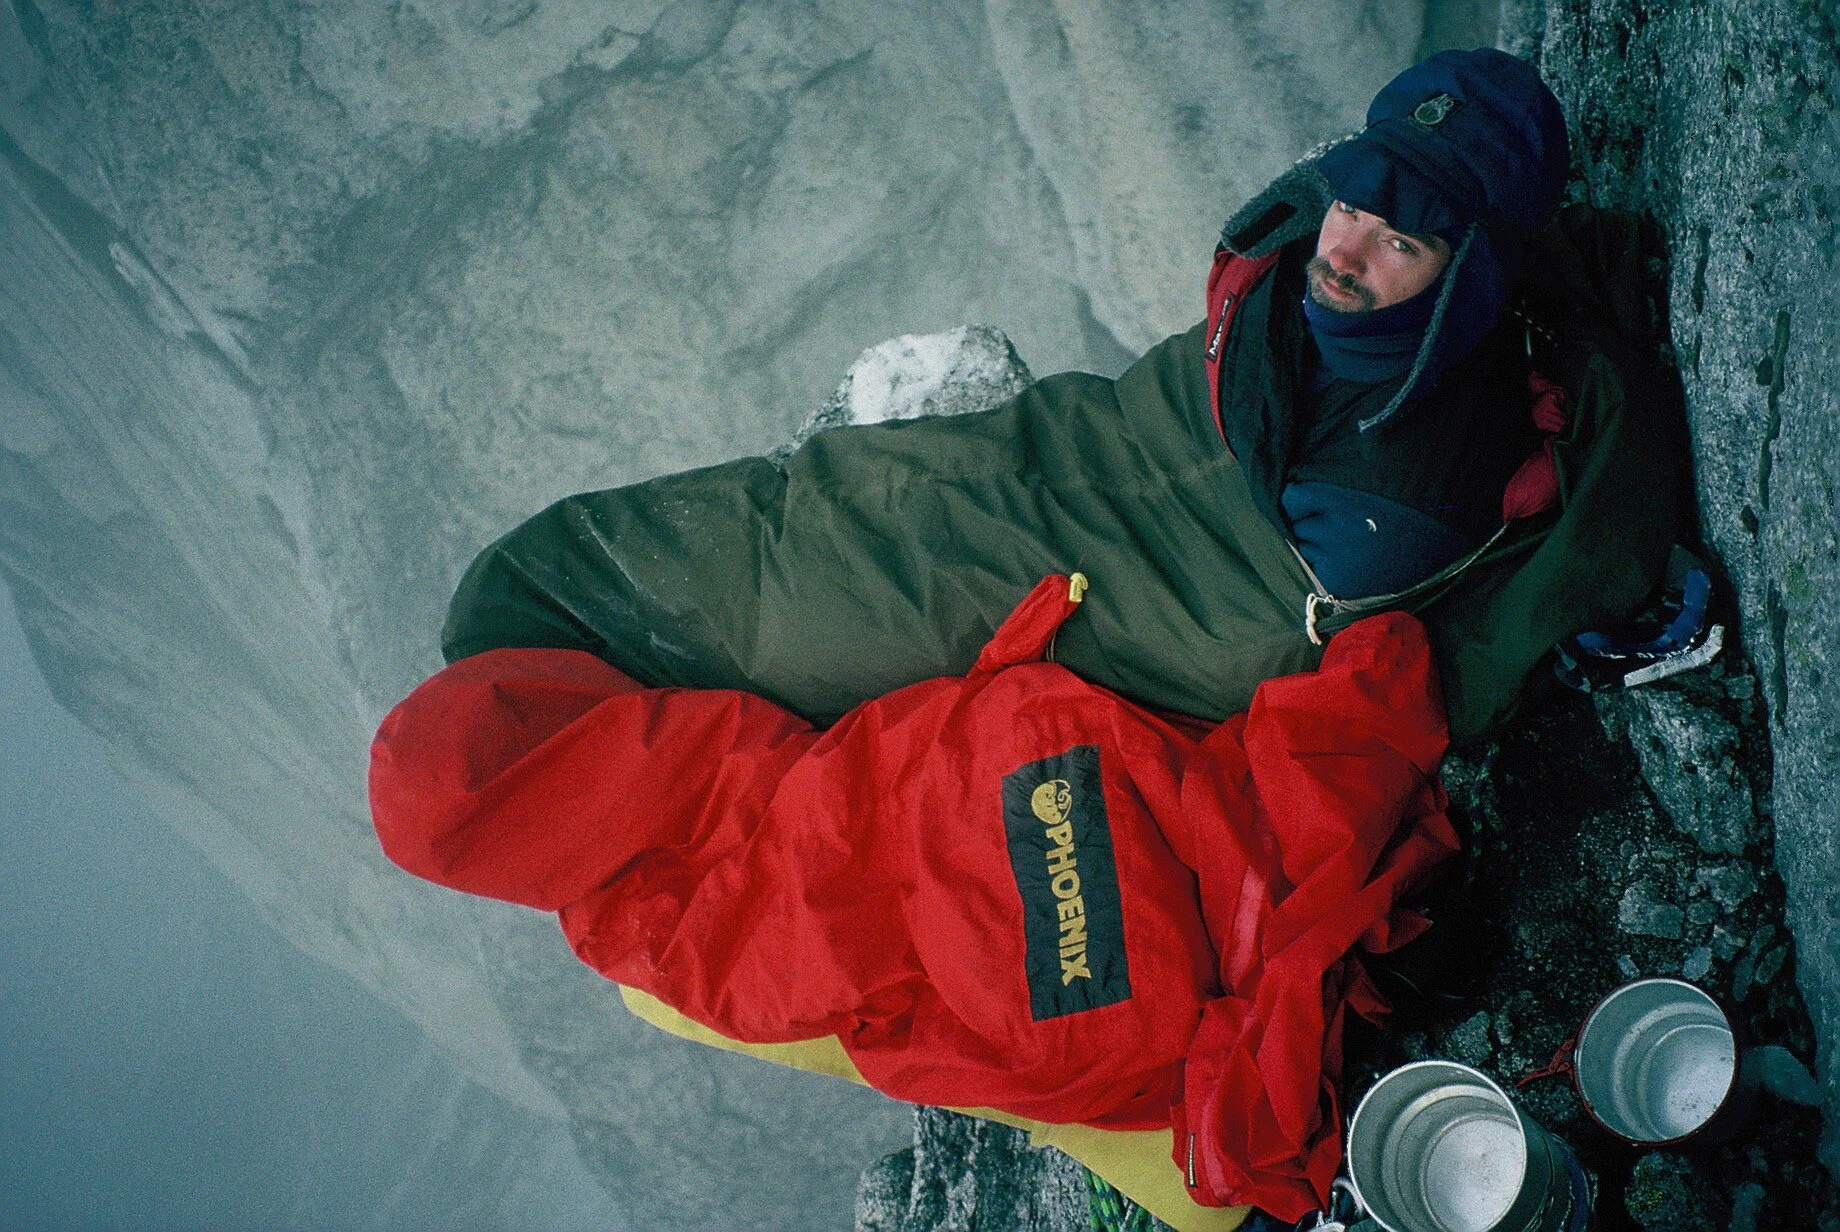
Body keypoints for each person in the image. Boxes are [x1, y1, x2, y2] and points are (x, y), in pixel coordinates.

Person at [437, 47, 1682, 747]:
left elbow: (1308, 666)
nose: (1342, 250)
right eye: (1352, 203)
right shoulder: (1302, 268)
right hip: (1097, 446)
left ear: (1464, 283)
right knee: (842, 503)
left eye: (1396, 242)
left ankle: (565, 713)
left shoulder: (1416, 492)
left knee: (864, 639)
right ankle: (551, 619)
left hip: (1149, 593)